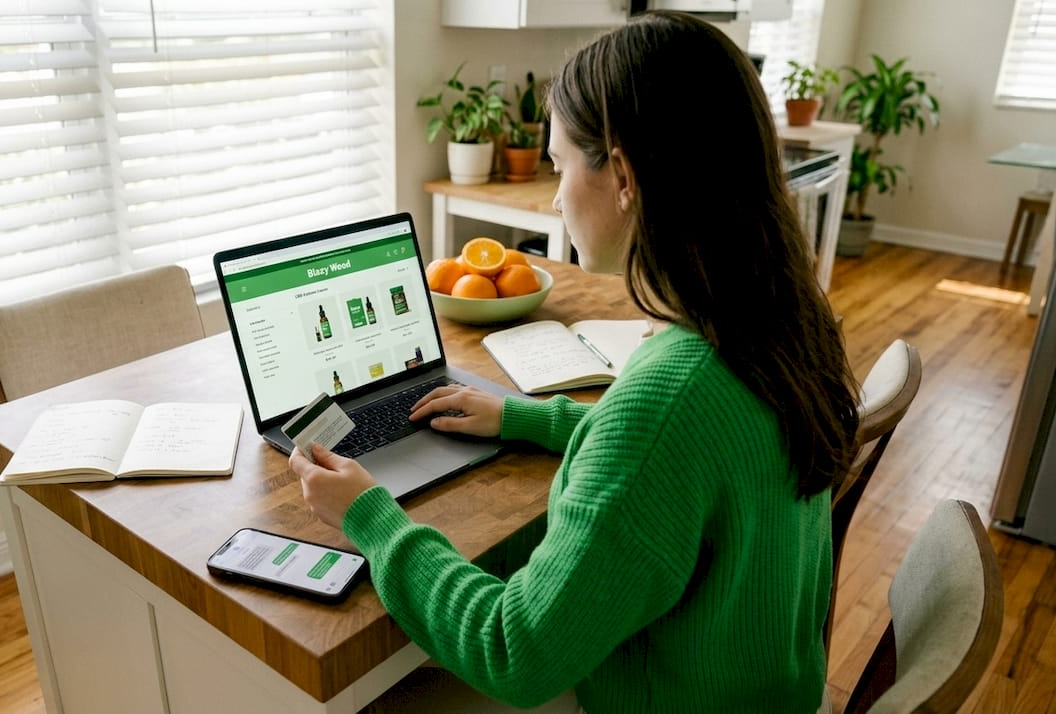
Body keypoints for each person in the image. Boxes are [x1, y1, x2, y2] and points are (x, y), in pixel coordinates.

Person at [290, 11, 860, 713]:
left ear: (622, 174)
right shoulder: (781, 324)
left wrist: (371, 518)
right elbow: (690, 464)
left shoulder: (667, 403)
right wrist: (526, 418)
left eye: (561, 165)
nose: (556, 197)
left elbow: (513, 651)